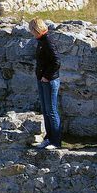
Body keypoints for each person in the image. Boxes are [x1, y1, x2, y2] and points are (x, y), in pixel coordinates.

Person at [30, 18, 62, 149]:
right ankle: (48, 138)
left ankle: (56, 141)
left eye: (32, 31)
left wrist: (47, 76)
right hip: (42, 79)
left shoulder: (48, 41)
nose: (31, 34)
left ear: (36, 30)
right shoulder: (41, 41)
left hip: (49, 81)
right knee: (45, 110)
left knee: (52, 111)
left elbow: (56, 61)